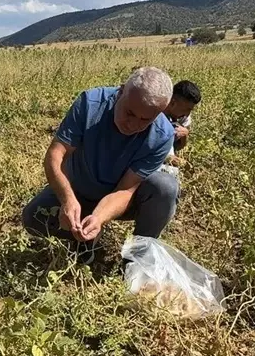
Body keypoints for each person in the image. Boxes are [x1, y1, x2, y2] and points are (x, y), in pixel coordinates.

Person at [20, 66, 177, 262]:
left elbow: (126, 191)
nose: (134, 124)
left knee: (165, 187)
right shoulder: (90, 104)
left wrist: (99, 217)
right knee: (33, 218)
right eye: (129, 113)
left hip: (121, 200)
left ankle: (137, 259)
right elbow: (55, 155)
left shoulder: (162, 136)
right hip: (78, 189)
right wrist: (67, 200)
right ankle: (84, 237)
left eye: (145, 120)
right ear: (121, 91)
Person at [164, 80, 201, 167]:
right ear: (172, 102)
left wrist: (185, 135)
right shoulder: (153, 111)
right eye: (187, 109)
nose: (187, 114)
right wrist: (167, 158)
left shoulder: (184, 116)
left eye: (190, 110)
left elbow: (180, 146)